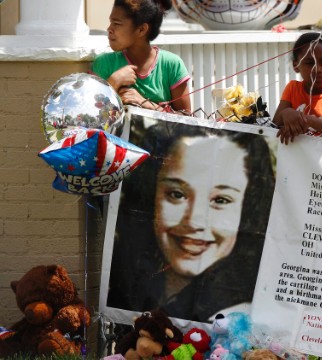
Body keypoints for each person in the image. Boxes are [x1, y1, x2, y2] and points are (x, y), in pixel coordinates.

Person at [106, 119, 276, 322]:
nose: (195, 221)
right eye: (177, 194)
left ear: (248, 210)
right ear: (150, 197)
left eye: (221, 200)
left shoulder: (246, 316)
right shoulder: (122, 283)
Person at [91, 0, 191, 113]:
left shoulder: (171, 64)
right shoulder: (104, 63)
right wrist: (113, 82)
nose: (109, 29)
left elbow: (187, 118)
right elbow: (90, 113)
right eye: (110, 22)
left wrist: (146, 103)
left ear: (141, 29)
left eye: (117, 24)